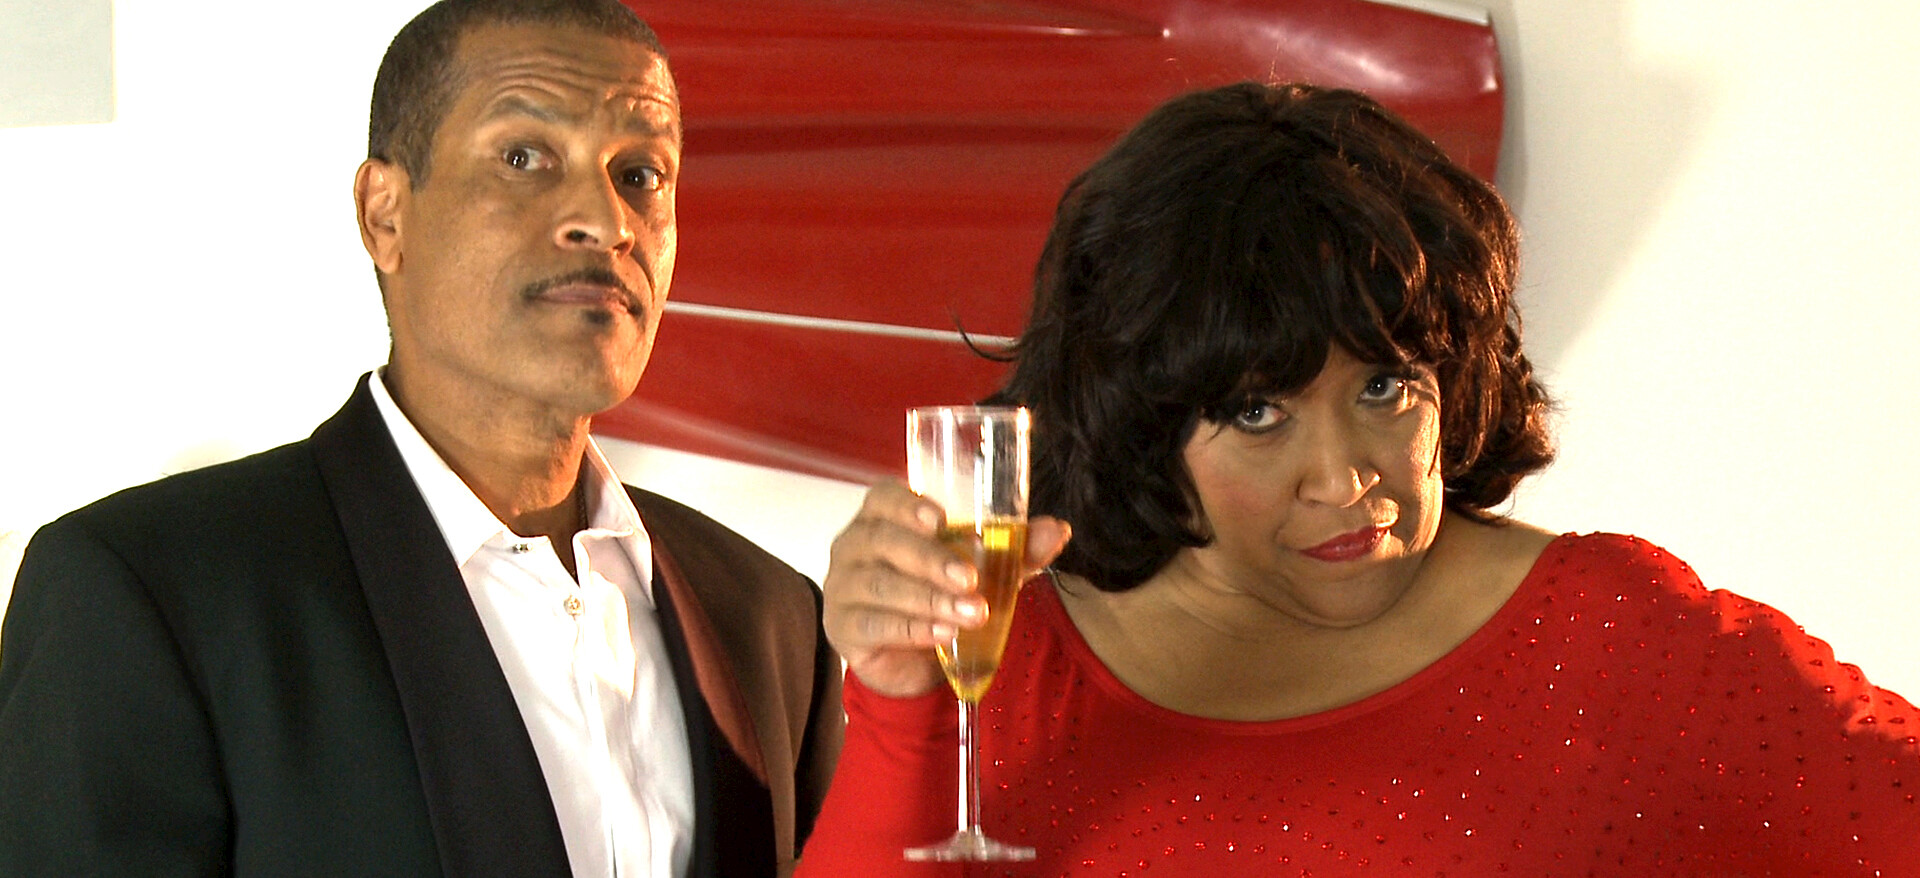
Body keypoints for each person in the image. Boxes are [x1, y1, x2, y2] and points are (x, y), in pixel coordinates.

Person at [799, 82, 1920, 875]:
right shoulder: (1006, 665)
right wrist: (897, 702)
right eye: (1257, 412)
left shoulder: (1616, 641)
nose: (1343, 479)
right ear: (1143, 419)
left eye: (1386, 387)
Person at [0, 1, 841, 875]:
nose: (607, 220)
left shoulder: (772, 619)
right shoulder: (151, 595)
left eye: (641, 174)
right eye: (524, 157)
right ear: (384, 215)